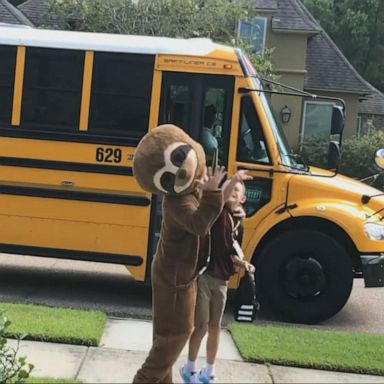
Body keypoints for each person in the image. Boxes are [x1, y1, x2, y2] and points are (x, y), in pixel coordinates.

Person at [180, 172, 255, 384]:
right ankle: (189, 367)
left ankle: (209, 371)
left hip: (222, 281)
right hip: (205, 276)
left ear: (242, 200)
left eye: (237, 191)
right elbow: (222, 197)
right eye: (231, 189)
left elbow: (229, 251)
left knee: (215, 327)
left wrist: (243, 264)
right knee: (201, 326)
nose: (233, 192)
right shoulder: (218, 212)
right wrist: (235, 179)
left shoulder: (235, 221)